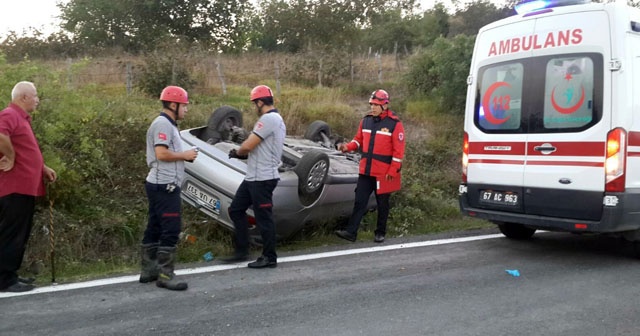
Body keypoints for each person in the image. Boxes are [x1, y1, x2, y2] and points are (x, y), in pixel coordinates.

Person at [0, 81, 57, 292]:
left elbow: (26, 150)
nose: (37, 99)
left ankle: (10, 274)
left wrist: (42, 167)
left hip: (25, 187)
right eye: (35, 95)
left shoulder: (21, 118)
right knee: (11, 234)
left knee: (19, 234)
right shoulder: (9, 114)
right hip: (14, 187)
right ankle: (5, 279)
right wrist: (10, 156)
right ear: (24, 97)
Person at [140, 85, 198, 291]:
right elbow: (161, 154)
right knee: (171, 229)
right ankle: (165, 274)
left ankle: (149, 269)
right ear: (173, 104)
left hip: (159, 184)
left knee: (155, 225)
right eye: (184, 105)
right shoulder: (163, 124)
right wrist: (185, 155)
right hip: (165, 185)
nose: (186, 109)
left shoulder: (167, 124)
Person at [224, 85, 285, 268]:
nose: (254, 107)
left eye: (254, 104)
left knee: (263, 217)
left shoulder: (268, 119)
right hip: (254, 176)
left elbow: (249, 145)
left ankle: (269, 257)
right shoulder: (274, 119)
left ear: (260, 102)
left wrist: (237, 152)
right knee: (236, 210)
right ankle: (242, 250)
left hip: (263, 178)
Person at [335, 89, 405, 243]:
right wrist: (347, 147)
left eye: (376, 105)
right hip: (366, 171)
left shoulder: (395, 124)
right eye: (372, 104)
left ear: (384, 106)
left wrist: (393, 170)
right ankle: (351, 232)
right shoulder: (365, 120)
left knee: (382, 204)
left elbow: (398, 152)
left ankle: (380, 232)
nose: (373, 107)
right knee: (360, 201)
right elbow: (358, 140)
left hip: (384, 173)